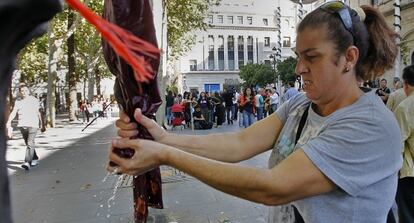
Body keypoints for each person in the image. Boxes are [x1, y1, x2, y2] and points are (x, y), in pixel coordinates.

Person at [108, 2, 402, 222]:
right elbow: (239, 144)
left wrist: (164, 155)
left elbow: (274, 187)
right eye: (299, 57)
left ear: (348, 58)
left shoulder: (371, 126)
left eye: (312, 57)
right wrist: (162, 138)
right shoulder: (300, 105)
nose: (300, 69)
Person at [394, 65, 414, 223]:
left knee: (407, 215)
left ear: (406, 84)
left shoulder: (405, 107)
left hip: (409, 173)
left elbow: (397, 143)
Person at [7, 85, 43, 170]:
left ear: (28, 91)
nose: (24, 92)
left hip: (33, 124)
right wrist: (8, 121)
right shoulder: (18, 101)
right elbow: (14, 112)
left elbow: (38, 112)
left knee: (30, 143)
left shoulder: (34, 100)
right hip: (22, 124)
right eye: (22, 91)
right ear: (20, 92)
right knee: (28, 143)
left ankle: (27, 162)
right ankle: (35, 158)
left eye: (26, 90)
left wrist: (42, 124)